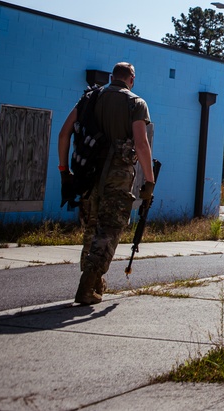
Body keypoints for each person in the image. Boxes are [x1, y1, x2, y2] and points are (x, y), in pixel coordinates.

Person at [58, 62, 154, 305]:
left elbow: (63, 133)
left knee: (92, 227)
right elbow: (141, 144)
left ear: (112, 77)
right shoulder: (136, 103)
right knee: (109, 228)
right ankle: (87, 284)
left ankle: (94, 280)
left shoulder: (89, 99)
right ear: (131, 79)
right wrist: (149, 181)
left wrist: (64, 171)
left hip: (87, 173)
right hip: (116, 176)